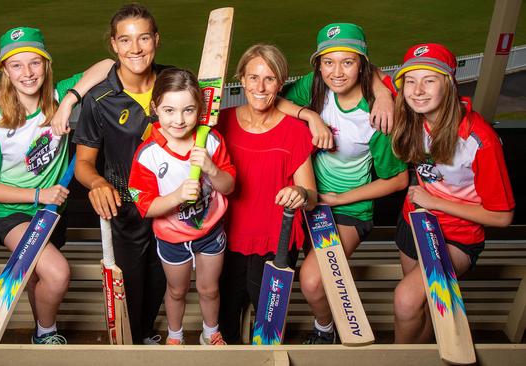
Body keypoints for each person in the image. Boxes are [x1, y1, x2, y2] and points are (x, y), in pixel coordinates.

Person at [0, 26, 110, 345]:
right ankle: (46, 333)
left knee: (39, 273)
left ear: (46, 65)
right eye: (16, 65)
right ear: (4, 70)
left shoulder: (59, 95)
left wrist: (69, 102)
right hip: (13, 213)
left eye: (35, 62)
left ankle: (40, 329)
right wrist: (37, 193)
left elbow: (108, 65)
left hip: (51, 212)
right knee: (58, 273)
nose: (28, 72)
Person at [284, 23, 408, 344]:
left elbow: (398, 179)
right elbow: (274, 101)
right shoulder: (315, 87)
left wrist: (339, 199)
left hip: (346, 207)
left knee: (311, 281)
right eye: (328, 62)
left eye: (348, 62)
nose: (336, 72)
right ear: (318, 65)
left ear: (362, 65)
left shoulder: (377, 114)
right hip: (306, 197)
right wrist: (310, 116)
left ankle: (325, 329)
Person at [390, 43, 515, 344]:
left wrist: (435, 201)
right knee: (423, 306)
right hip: (416, 222)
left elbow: (502, 216)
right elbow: (363, 74)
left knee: (406, 300)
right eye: (410, 81)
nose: (418, 90)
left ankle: (395, 360)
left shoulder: (480, 141)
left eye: (429, 80)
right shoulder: (415, 119)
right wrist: (383, 96)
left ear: (448, 84)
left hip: (457, 237)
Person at [64, 3, 169, 345]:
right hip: (126, 205)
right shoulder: (99, 98)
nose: (135, 48)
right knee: (135, 280)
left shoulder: (177, 82)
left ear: (156, 39)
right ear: (113, 44)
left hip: (174, 202)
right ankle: (135, 343)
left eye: (143, 38)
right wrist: (96, 182)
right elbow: (83, 164)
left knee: (163, 277)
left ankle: (149, 333)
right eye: (125, 40)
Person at [216, 44, 318, 344]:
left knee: (269, 325)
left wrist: (299, 192)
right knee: (225, 319)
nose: (260, 87)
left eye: (269, 79)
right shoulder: (220, 123)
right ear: (242, 79)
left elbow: (311, 196)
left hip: (275, 241)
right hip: (225, 238)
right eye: (253, 77)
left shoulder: (295, 131)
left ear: (281, 83)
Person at [128, 68, 236, 345]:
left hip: (210, 233)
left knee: (209, 289)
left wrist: (211, 169)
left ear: (199, 108)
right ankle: (175, 336)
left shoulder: (211, 141)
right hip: (172, 238)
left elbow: (229, 187)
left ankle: (210, 332)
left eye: (188, 110)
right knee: (176, 291)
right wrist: (176, 196)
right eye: (169, 110)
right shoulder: (147, 154)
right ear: (155, 108)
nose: (179, 120)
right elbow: (145, 206)